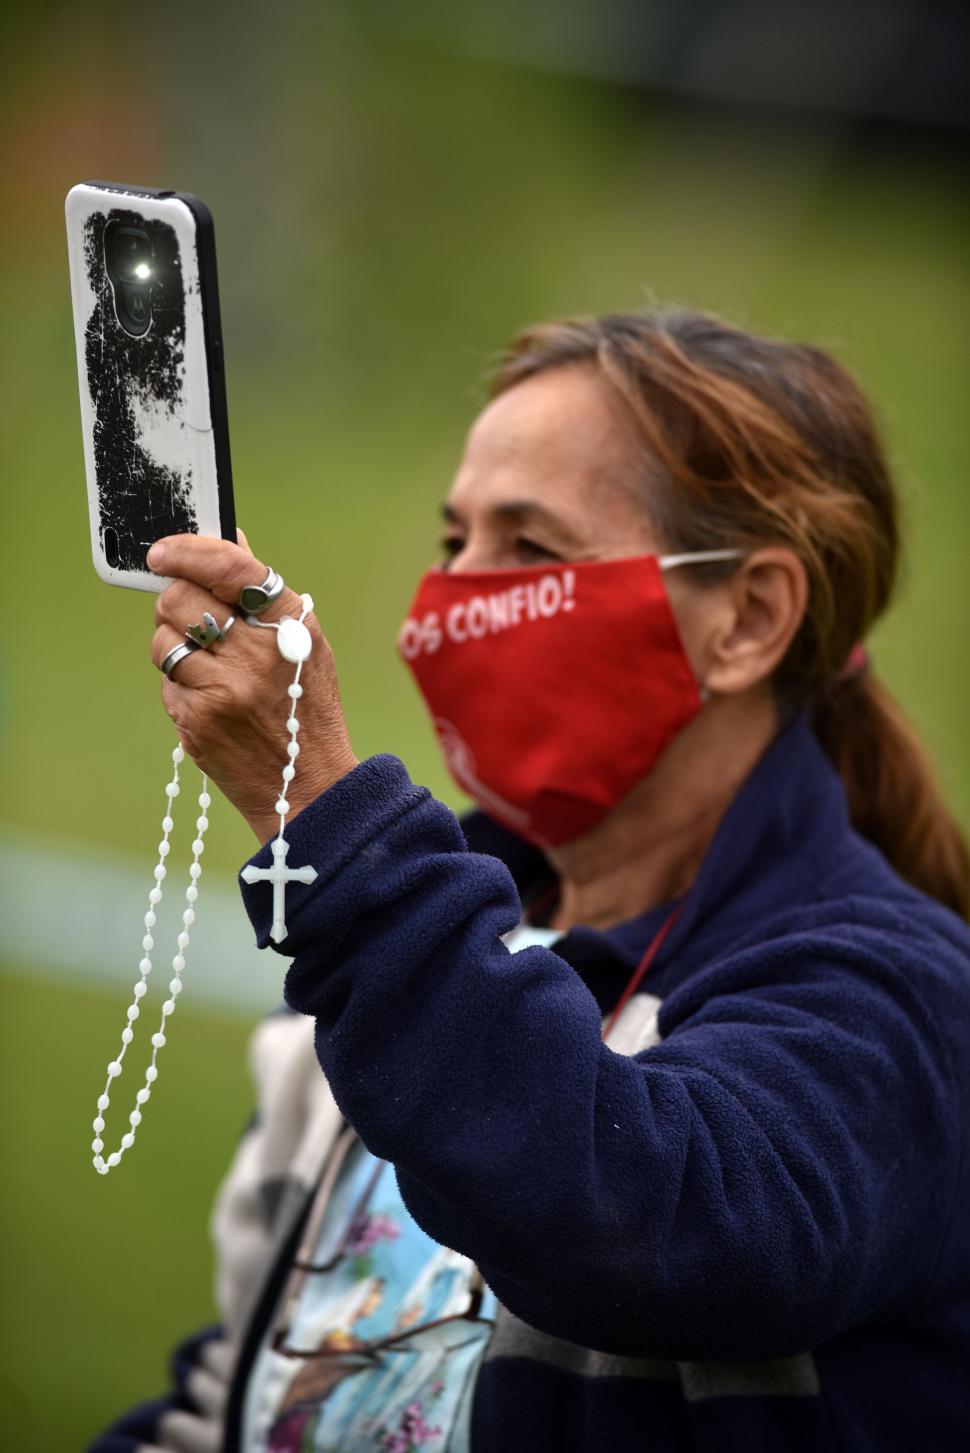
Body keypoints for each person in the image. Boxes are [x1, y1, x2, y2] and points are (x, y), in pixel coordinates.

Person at [90, 307, 970, 1453]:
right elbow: (247, 1391)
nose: (453, 597)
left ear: (748, 617)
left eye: (530, 549)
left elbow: (642, 1226)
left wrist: (318, 810)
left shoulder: (900, 995)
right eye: (453, 540)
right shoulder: (413, 953)